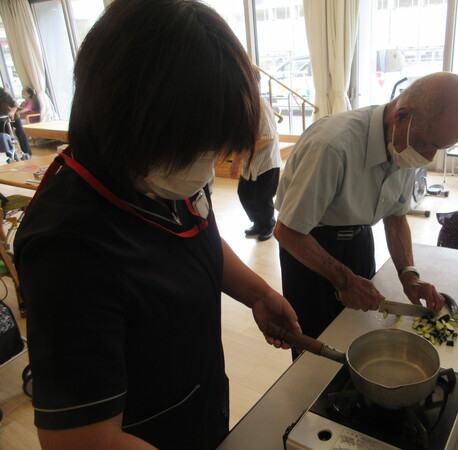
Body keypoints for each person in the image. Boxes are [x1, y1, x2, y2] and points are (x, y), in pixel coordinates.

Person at [14, 1, 300, 448]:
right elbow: (82, 441)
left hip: (201, 404)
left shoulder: (162, 170)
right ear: (125, 116)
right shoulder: (66, 247)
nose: (206, 167)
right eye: (196, 148)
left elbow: (195, 237)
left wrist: (258, 293)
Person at [274, 72, 458, 356]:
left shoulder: (406, 143)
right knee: (314, 347)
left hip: (359, 241)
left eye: (440, 148)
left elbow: (395, 217)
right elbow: (288, 231)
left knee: (357, 334)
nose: (430, 157)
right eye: (431, 145)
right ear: (402, 116)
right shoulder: (332, 145)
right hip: (308, 245)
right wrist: (344, 280)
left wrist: (409, 275)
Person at [230, 93, 281, 242]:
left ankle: (268, 225)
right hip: (250, 161)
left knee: (262, 198)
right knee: (244, 194)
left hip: (266, 161)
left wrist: (238, 159)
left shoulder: (261, 104)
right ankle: (258, 223)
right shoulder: (241, 104)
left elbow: (268, 136)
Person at [0, 87, 32, 159]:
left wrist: (11, 112)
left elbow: (15, 105)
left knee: (20, 133)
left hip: (14, 116)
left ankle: (27, 152)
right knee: (5, 136)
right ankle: (11, 156)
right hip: (2, 118)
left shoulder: (3, 92)